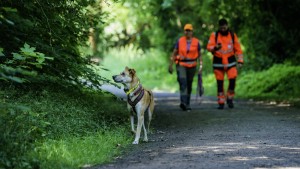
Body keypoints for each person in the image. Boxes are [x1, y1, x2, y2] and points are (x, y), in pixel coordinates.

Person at [206, 18, 244, 109]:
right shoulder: (214, 35)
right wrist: (215, 48)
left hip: (231, 61)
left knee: (232, 79)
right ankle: (221, 101)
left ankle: (230, 98)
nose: (223, 29)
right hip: (218, 62)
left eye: (224, 27)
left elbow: (238, 49)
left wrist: (240, 61)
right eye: (221, 28)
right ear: (219, 27)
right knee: (220, 83)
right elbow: (209, 47)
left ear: (227, 26)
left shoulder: (232, 35)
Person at [168, 23, 202, 111]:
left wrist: (201, 66)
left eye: (189, 30)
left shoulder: (196, 42)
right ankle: (183, 102)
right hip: (181, 65)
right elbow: (174, 53)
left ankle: (187, 103)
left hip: (192, 66)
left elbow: (200, 55)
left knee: (189, 84)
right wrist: (170, 65)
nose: (187, 32)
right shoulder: (180, 41)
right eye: (186, 30)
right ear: (184, 31)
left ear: (192, 32)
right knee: (183, 82)